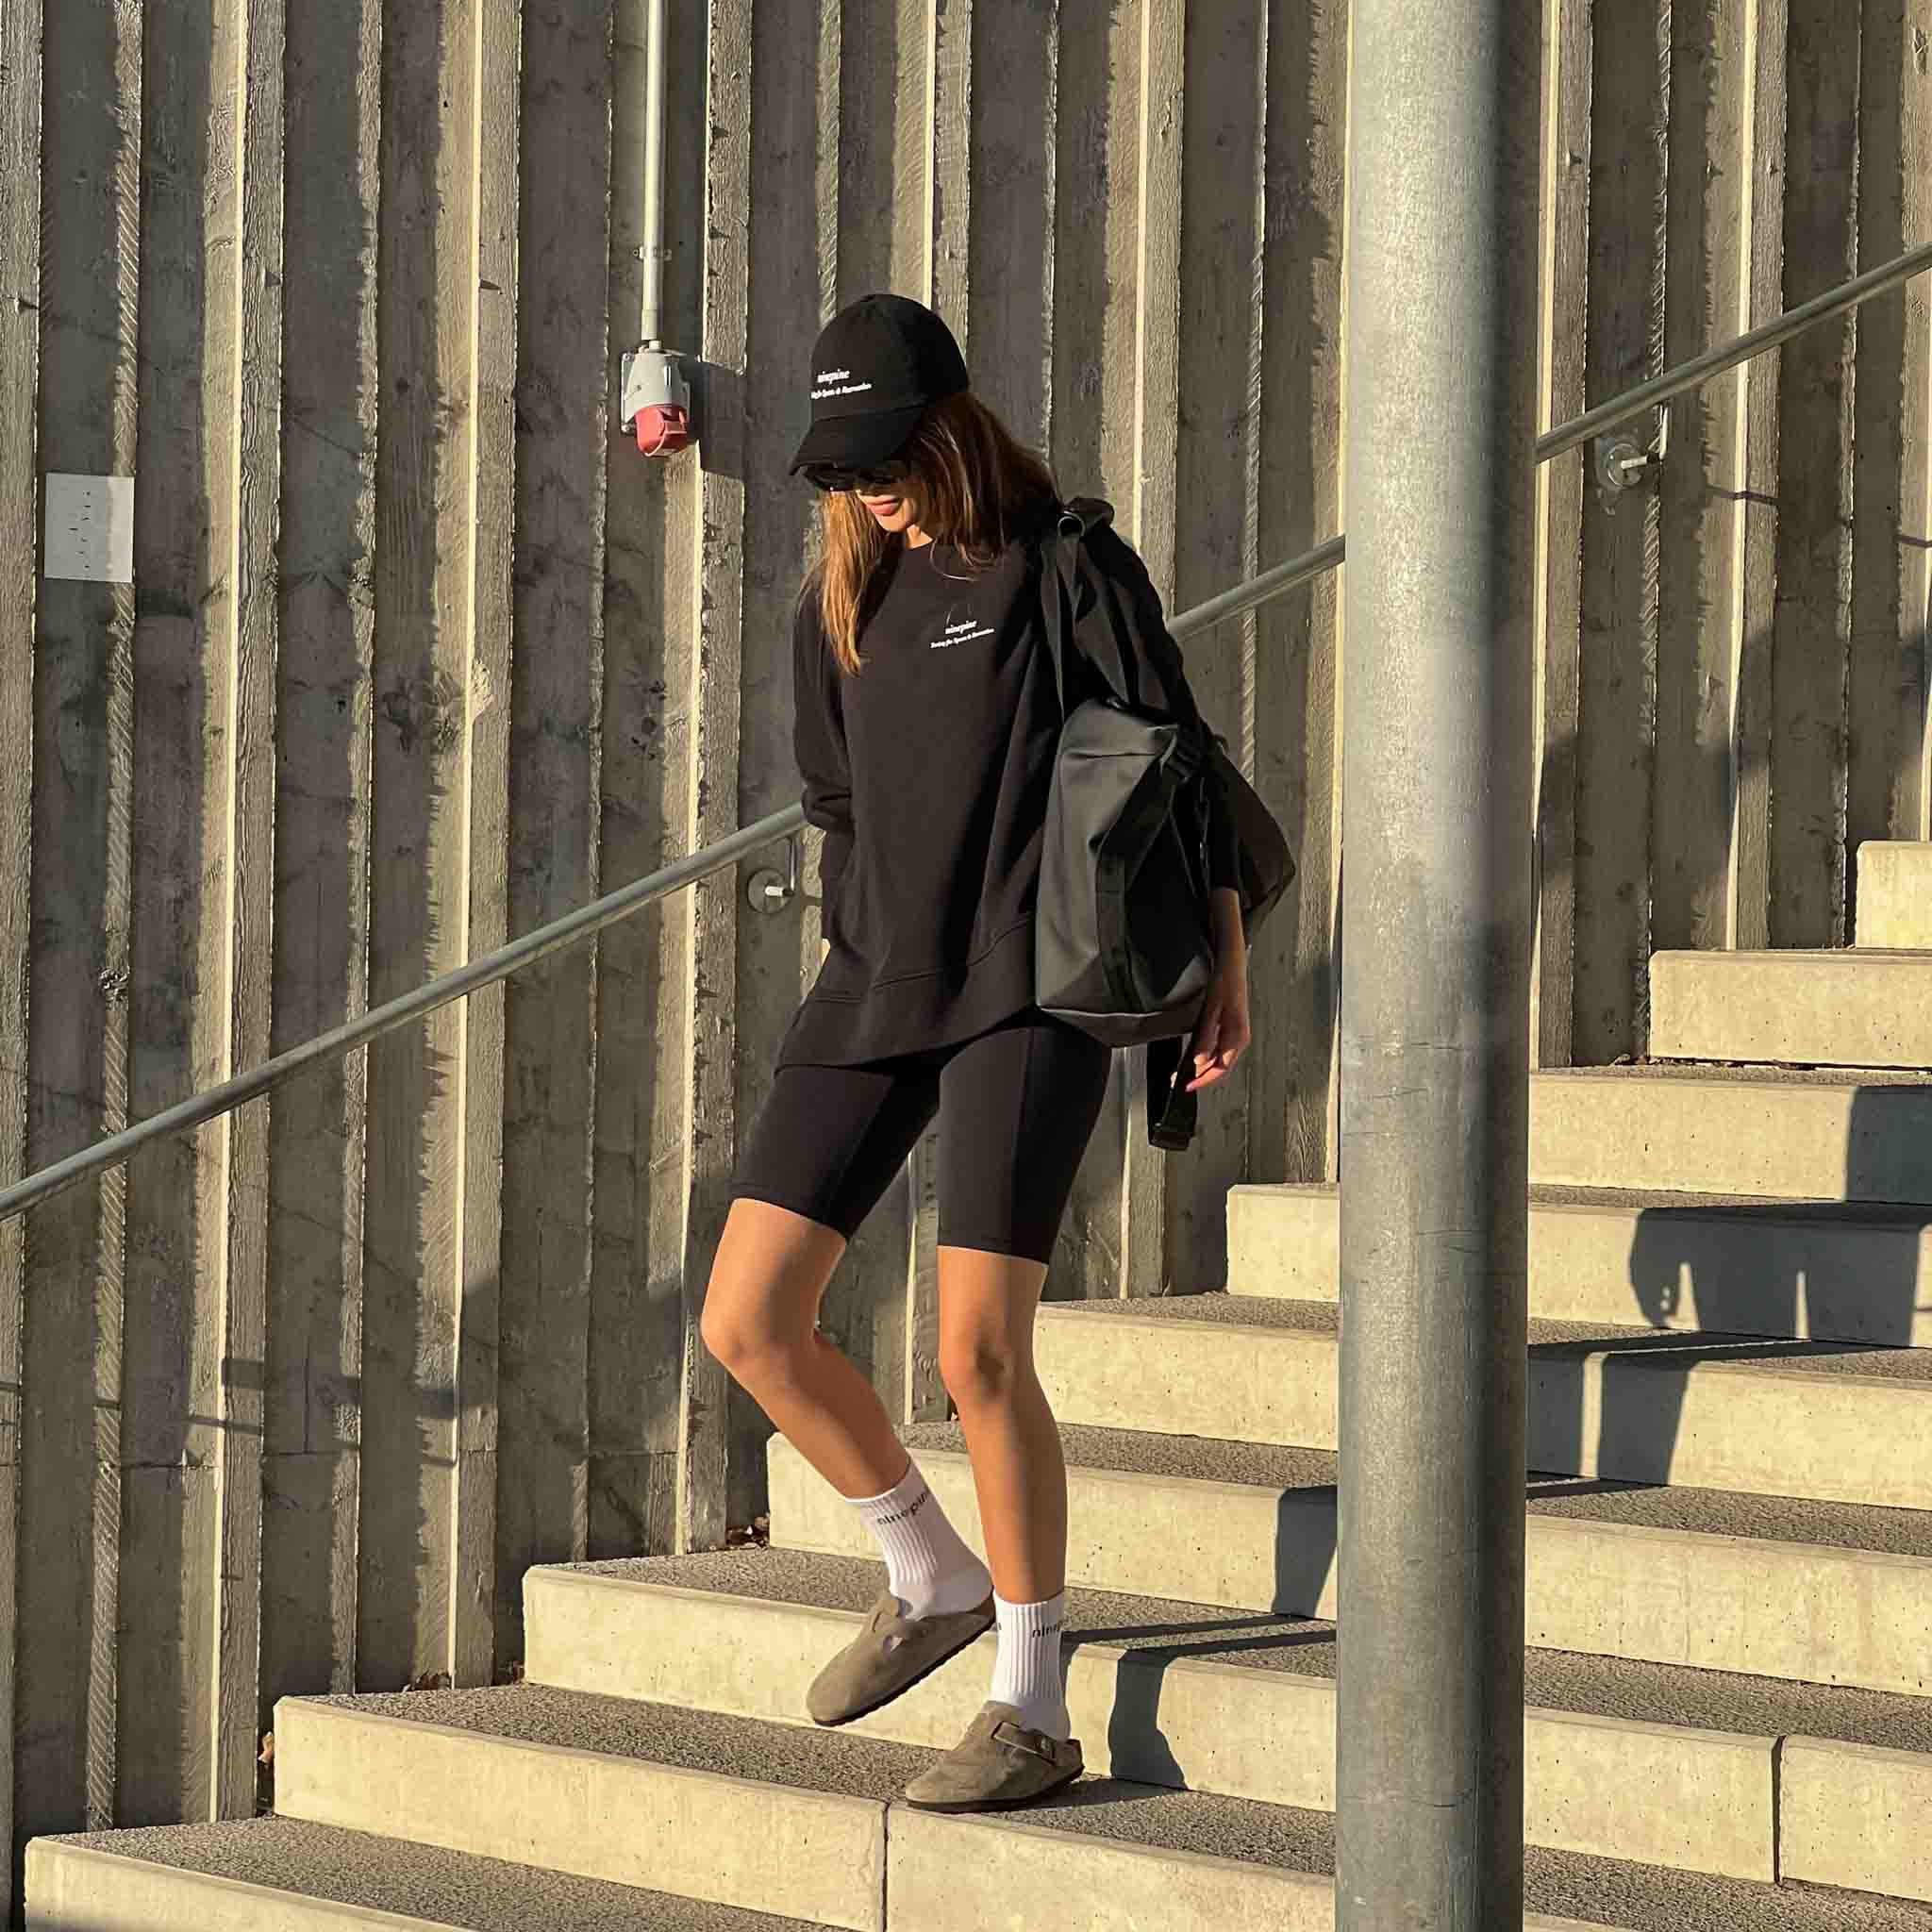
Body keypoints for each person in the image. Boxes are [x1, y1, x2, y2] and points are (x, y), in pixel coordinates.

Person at [701, 291, 1252, 1812]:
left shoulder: (1067, 564)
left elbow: (1173, 766)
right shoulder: (841, 600)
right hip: (878, 974)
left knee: (976, 1351)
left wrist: (1223, 964)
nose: (861, 488)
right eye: (837, 469)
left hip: (1031, 984)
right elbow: (837, 804)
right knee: (748, 1321)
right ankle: (925, 1569)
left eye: (880, 456)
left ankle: (1031, 1696)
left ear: (948, 424)